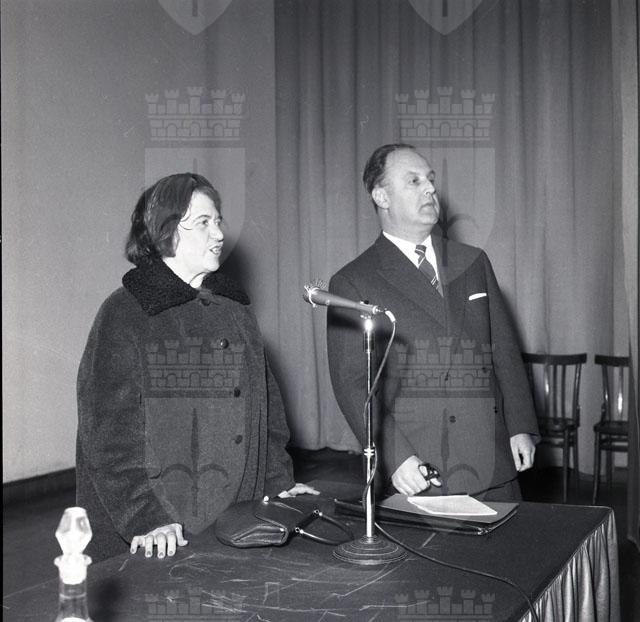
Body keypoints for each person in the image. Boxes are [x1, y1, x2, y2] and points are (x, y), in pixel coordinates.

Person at [76, 173, 316, 562]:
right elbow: (108, 439)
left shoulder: (236, 312)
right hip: (158, 527)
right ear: (164, 232)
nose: (219, 234)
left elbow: (268, 416)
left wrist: (278, 485)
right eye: (203, 222)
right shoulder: (124, 312)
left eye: (218, 221)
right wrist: (147, 519)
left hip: (234, 515)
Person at [327, 144, 538, 501]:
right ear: (381, 196)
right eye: (413, 181)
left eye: (430, 179)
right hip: (421, 472)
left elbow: (504, 351)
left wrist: (521, 426)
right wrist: (395, 456)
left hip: (495, 463)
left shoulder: (474, 261)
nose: (429, 188)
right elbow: (353, 384)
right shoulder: (353, 281)